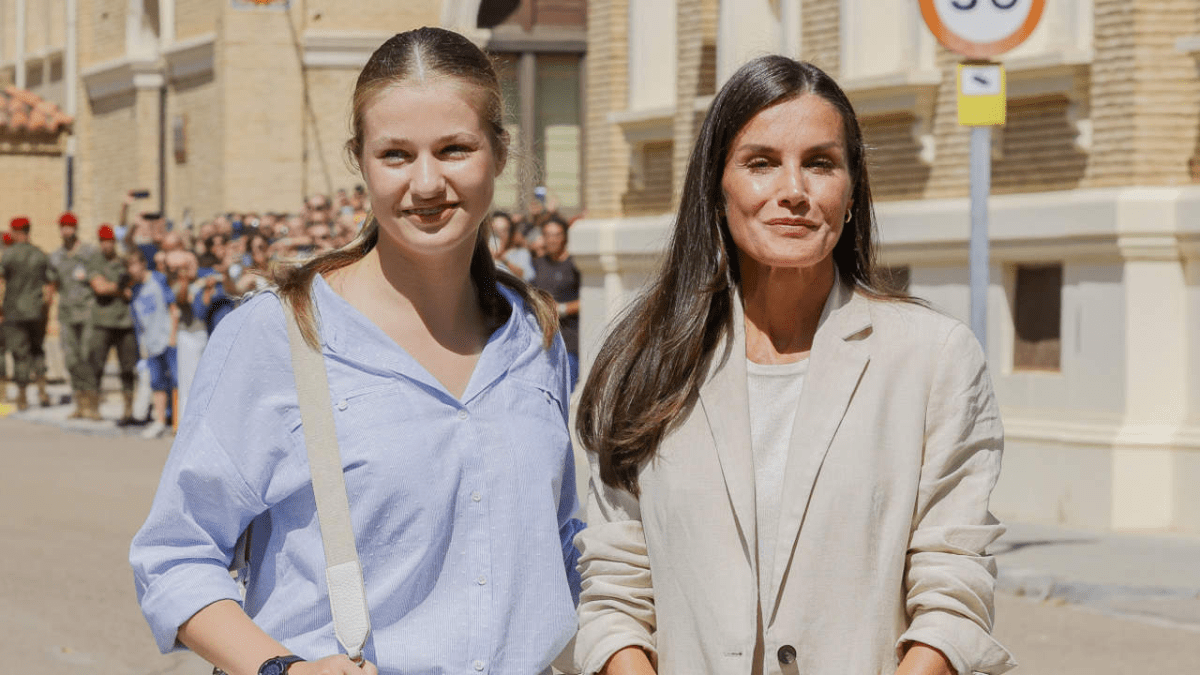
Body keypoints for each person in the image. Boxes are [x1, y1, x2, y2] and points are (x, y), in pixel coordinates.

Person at [130, 27, 583, 675]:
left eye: (455, 149)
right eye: (396, 154)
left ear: (500, 153)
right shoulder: (280, 334)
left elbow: (561, 539)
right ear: (361, 161)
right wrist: (282, 668)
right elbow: (174, 553)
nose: (426, 182)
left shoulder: (531, 334)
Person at [573, 56, 1014, 675]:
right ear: (716, 187)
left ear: (853, 190)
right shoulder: (640, 360)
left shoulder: (933, 357)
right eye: (761, 163)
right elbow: (616, 587)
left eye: (820, 163)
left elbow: (954, 582)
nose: (794, 191)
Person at [48, 212, 102, 419]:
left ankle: (93, 404)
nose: (66, 230)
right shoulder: (56, 256)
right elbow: (53, 285)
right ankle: (80, 403)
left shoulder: (89, 253)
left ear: (76, 228)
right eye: (63, 226)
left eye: (69, 226)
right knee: (71, 359)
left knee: (88, 357)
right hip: (67, 315)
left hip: (88, 313)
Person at [88, 223, 138, 424]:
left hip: (125, 322)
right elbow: (99, 287)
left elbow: (135, 277)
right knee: (96, 365)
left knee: (128, 367)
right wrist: (119, 289)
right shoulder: (95, 261)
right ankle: (93, 407)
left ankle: (128, 409)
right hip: (102, 321)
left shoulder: (123, 260)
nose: (106, 245)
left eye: (109, 241)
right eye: (103, 241)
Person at [0, 216, 52, 410]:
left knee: (20, 354)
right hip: (36, 311)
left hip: (15, 312)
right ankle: (42, 391)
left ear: (15, 232)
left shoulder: (9, 255)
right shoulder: (40, 255)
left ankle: (22, 396)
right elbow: (49, 286)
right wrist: (46, 310)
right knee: (38, 351)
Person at [127, 251, 178, 439]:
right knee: (156, 382)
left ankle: (177, 421)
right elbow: (139, 322)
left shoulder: (158, 280)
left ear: (143, 264)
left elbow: (173, 308)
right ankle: (160, 421)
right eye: (129, 267)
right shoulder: (135, 291)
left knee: (175, 381)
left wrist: (172, 335)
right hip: (150, 343)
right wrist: (143, 347)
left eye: (135, 265)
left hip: (167, 339)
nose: (132, 270)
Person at [531, 215, 580, 391]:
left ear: (565, 237)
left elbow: (589, 299)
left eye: (556, 235)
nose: (552, 240)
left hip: (570, 341)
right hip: (543, 340)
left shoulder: (575, 264)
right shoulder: (538, 264)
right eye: (547, 235)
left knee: (567, 391)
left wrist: (564, 309)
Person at [489, 210, 534, 281]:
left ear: (510, 232)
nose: (499, 235)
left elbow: (526, 276)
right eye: (495, 231)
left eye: (503, 230)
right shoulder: (482, 252)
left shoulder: (521, 253)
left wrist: (503, 260)